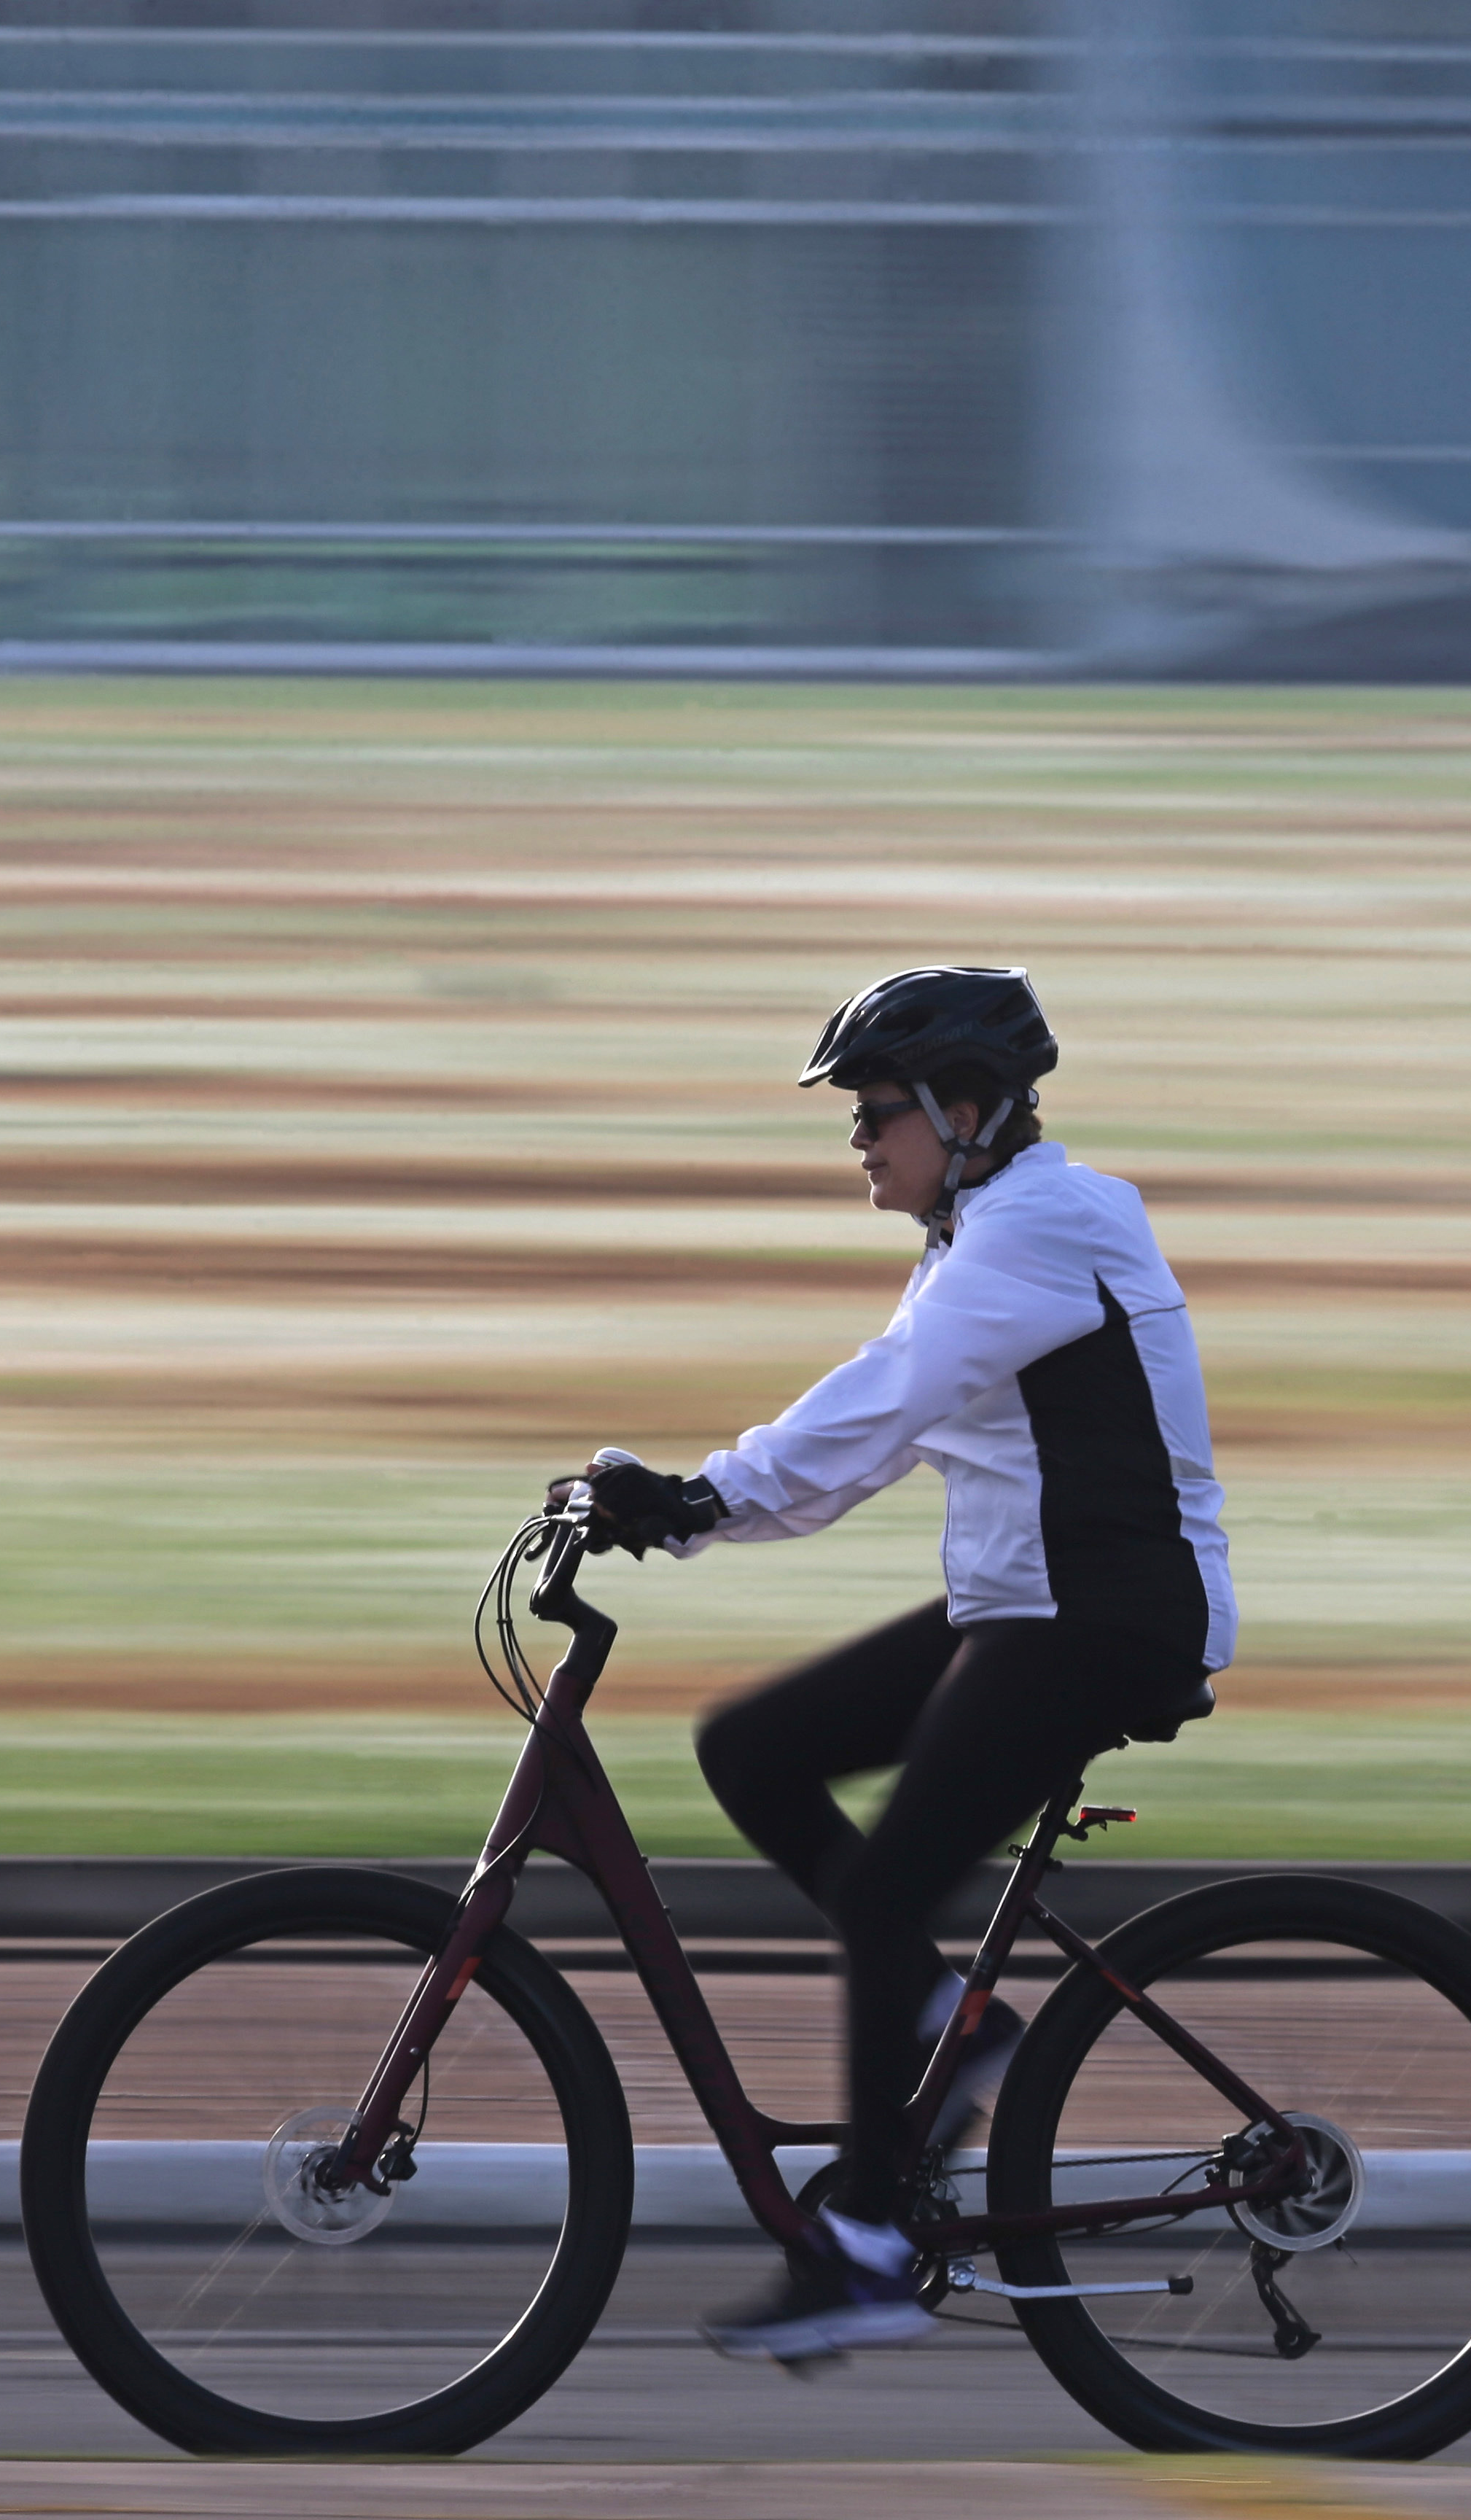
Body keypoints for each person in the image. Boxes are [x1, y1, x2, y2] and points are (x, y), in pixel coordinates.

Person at [560, 966, 1234, 2365]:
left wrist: (697, 1496)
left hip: (1098, 1621)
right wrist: (705, 1506)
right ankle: (958, 2031)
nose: (859, 1139)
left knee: (882, 1889)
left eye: (878, 1113)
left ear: (967, 1110)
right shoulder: (984, 1234)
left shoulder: (1043, 1226)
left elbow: (886, 1397)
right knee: (751, 1749)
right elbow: (876, 1432)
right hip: (1024, 1605)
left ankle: (866, 2241)